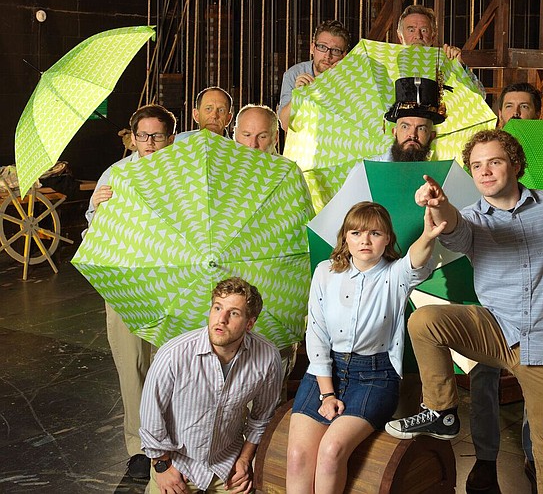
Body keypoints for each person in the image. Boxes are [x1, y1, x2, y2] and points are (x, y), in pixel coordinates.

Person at [385, 129, 543, 493]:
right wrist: (437, 203)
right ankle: (442, 412)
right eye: (476, 166)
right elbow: (453, 228)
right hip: (497, 331)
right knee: (424, 321)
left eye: (494, 162)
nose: (485, 171)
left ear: (516, 165)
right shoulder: (472, 218)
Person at [285, 201, 445, 494]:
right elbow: (317, 334)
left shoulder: (395, 275)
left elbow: (416, 261)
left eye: (375, 233)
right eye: (356, 233)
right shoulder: (324, 273)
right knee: (296, 457)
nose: (365, 241)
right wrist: (327, 393)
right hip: (325, 372)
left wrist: (429, 235)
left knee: (332, 450)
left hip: (375, 376)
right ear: (345, 237)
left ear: (387, 239)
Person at [84, 104, 176, 480]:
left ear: (171, 137)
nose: (150, 143)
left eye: (157, 135)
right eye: (143, 135)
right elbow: (96, 231)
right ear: (132, 137)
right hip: (125, 284)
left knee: (168, 365)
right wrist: (93, 207)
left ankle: (169, 440)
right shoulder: (117, 175)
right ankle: (139, 447)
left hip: (171, 283)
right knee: (132, 364)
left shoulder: (181, 177)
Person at [467, 82, 543, 492]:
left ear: (537, 114)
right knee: (484, 375)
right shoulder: (485, 161)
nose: (516, 112)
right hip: (493, 292)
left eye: (525, 106)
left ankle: (534, 455)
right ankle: (484, 458)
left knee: (539, 376)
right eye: (509, 106)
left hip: (542, 290)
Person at [140, 277, 282, 494]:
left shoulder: (267, 357)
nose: (221, 319)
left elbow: (261, 418)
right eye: (217, 308)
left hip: (227, 464)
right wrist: (162, 466)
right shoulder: (173, 354)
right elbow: (151, 417)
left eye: (233, 313)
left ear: (250, 323)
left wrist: (245, 460)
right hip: (176, 463)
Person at [396, 5, 485, 97]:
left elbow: (480, 96)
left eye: (424, 30)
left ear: (433, 36)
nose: (418, 36)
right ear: (400, 36)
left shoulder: (445, 63)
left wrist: (460, 67)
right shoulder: (389, 64)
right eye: (411, 30)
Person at [278, 20, 351, 131]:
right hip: (304, 140)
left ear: (344, 55)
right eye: (322, 47)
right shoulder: (294, 73)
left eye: (335, 50)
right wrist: (299, 94)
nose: (327, 55)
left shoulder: (350, 78)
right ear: (312, 48)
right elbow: (285, 124)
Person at [373, 76, 446, 162]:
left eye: (421, 128)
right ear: (394, 132)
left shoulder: (440, 174)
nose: (412, 135)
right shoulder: (367, 171)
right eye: (405, 127)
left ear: (432, 136)